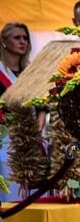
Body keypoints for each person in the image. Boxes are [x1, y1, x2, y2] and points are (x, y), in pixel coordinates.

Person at [0, 22, 32, 202]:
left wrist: (39, 121)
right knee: (12, 193)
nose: (23, 42)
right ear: (4, 42)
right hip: (6, 141)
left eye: (25, 38)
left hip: (32, 139)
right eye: (17, 38)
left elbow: (42, 104)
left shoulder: (31, 70)